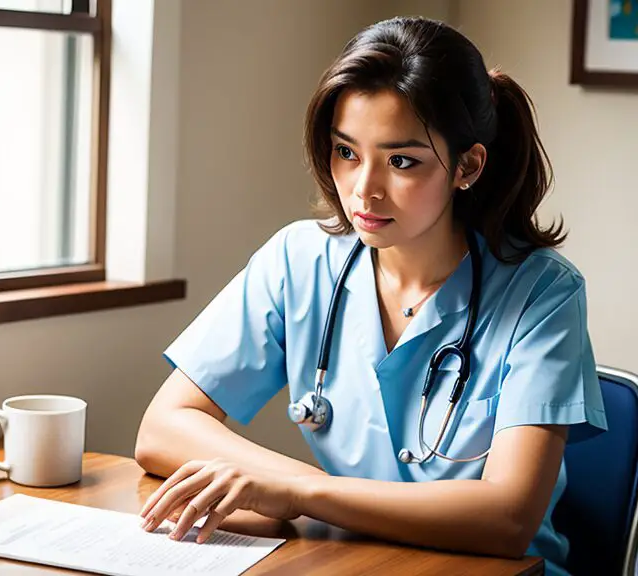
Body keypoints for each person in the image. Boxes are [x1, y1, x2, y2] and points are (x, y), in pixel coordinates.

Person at [135, 16, 606, 576]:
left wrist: (298, 496)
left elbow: (506, 519)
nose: (364, 189)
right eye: (347, 152)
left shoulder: (542, 293)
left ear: (467, 167)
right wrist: (303, 487)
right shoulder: (299, 259)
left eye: (401, 161)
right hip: (347, 562)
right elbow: (163, 426)